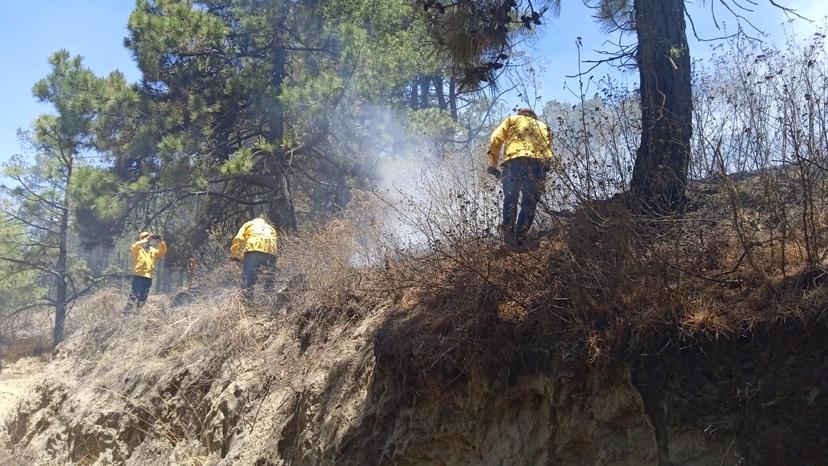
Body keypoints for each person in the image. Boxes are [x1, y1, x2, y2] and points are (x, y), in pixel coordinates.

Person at [486, 107, 555, 247]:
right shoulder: (543, 126)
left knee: (510, 199)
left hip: (513, 164)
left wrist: (493, 164)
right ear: (534, 117)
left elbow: (495, 138)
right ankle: (520, 239)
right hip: (537, 165)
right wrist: (544, 170)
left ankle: (509, 238)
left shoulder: (512, 119)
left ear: (520, 115)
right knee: (529, 203)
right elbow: (548, 153)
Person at [230, 216, 278, 302]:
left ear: (254, 221)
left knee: (247, 279)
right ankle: (270, 299)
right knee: (270, 277)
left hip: (254, 250)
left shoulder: (248, 224)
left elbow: (238, 238)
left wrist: (234, 254)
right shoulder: (270, 228)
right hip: (271, 253)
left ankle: (247, 302)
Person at [127, 231, 167, 308]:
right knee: (134, 294)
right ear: (141, 239)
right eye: (145, 237)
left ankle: (138, 312)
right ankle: (127, 312)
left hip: (148, 276)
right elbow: (133, 245)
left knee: (143, 296)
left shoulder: (153, 250)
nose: (148, 239)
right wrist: (147, 239)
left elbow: (162, 252)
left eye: (148, 237)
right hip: (139, 275)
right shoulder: (137, 248)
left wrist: (160, 241)